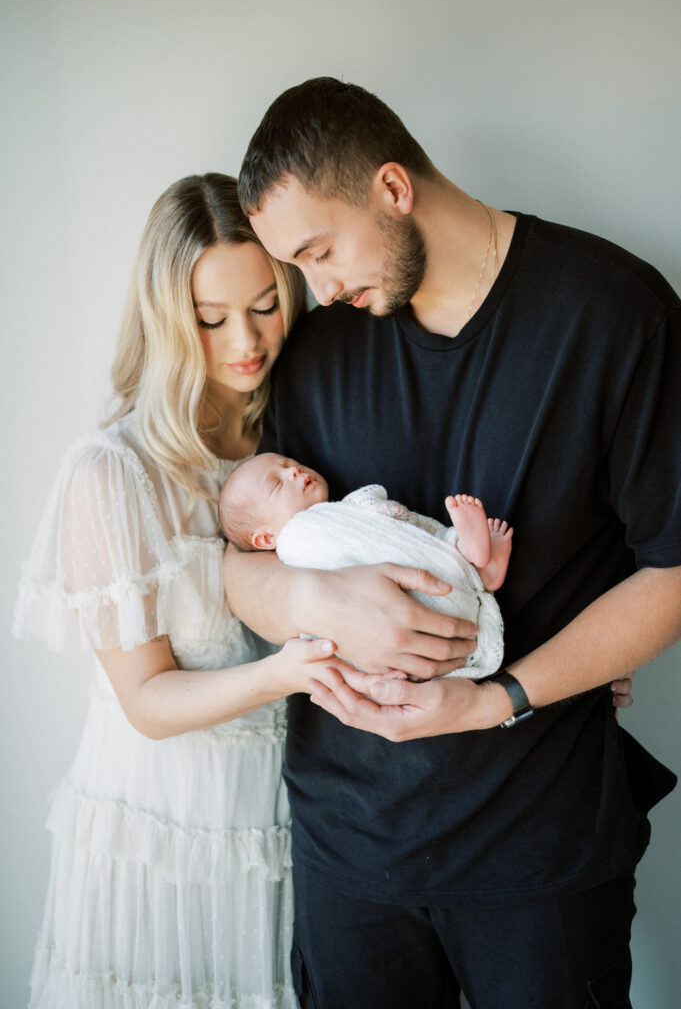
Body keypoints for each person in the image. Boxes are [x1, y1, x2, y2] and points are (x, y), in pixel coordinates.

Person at [224, 78, 681, 1008]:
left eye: (319, 252)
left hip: (539, 853)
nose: (318, 290)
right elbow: (243, 562)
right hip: (347, 854)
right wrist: (312, 601)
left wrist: (493, 699)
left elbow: (672, 570)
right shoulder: (319, 348)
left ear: (392, 188)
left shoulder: (612, 311)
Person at [13, 172, 346, 1009]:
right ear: (166, 318)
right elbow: (147, 701)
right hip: (160, 823)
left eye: (265, 305)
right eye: (210, 318)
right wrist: (286, 672)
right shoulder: (111, 471)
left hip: (285, 817)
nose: (247, 341)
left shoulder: (299, 435)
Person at [219, 452, 511, 677]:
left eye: (291, 464)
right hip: (392, 615)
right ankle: (474, 565)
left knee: (427, 541)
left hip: (421, 569)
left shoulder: (343, 511)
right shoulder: (294, 548)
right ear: (266, 538)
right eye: (276, 484)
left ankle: (478, 563)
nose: (293, 471)